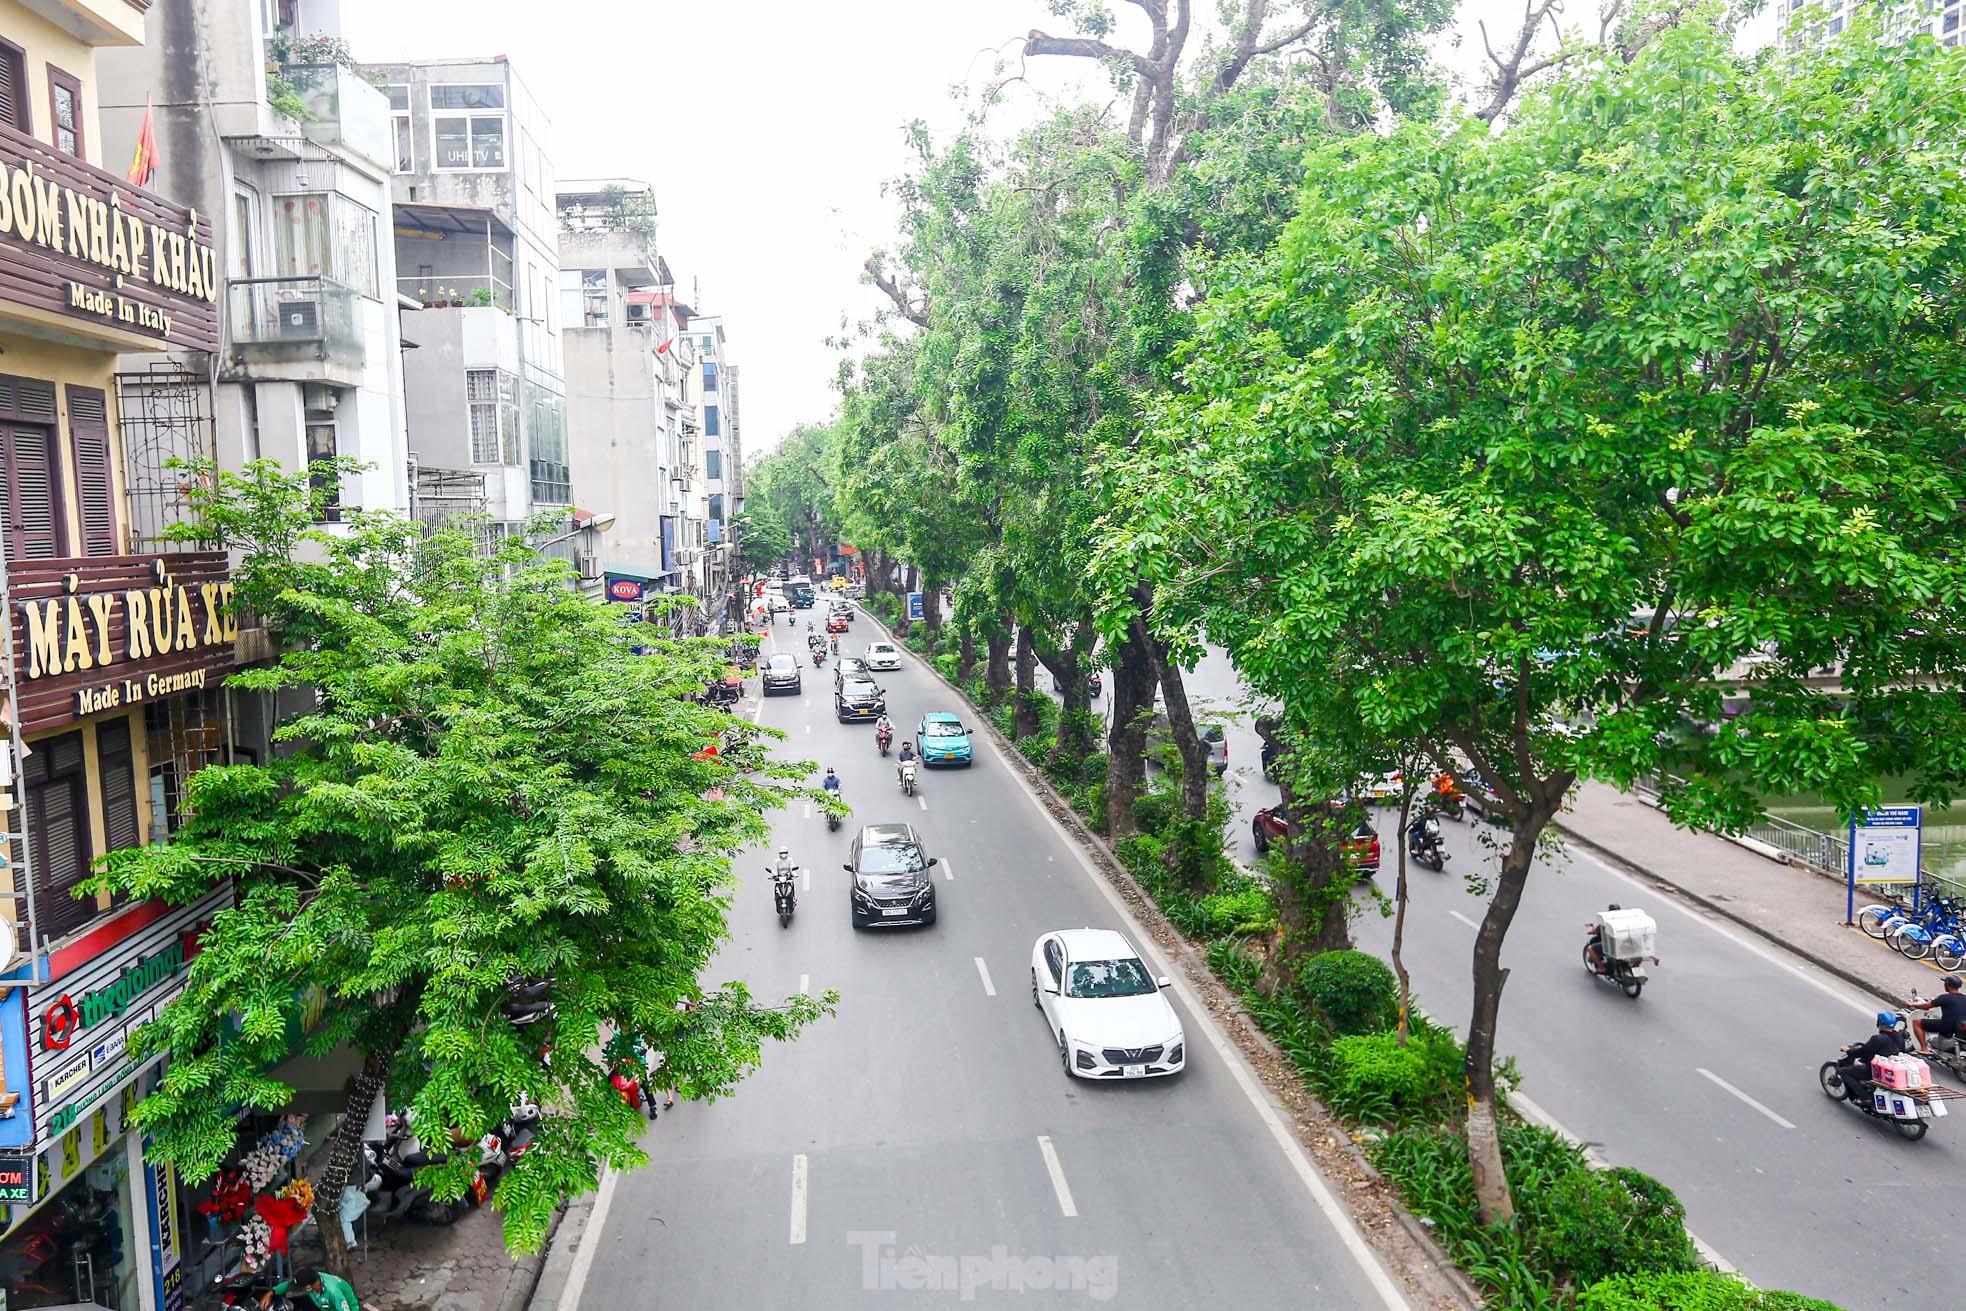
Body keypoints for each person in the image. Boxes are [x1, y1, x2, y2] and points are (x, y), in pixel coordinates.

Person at [1836, 1012, 1906, 1104]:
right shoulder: (1900, 1038)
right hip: (1892, 1071)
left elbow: (1861, 1052)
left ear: (1879, 1023)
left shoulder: (1877, 1039)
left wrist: (1848, 1050)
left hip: (1875, 1072)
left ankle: (1865, 1097)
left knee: (1844, 1072)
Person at [1910, 975, 1966, 1052]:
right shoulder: (1964, 998)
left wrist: (1912, 1004)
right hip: (1960, 1028)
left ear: (1947, 985)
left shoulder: (1944, 997)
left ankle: (1924, 1048)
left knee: (1917, 1023)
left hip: (1946, 1026)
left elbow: (1926, 1006)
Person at [269, 1268, 361, 1311]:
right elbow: (288, 1285)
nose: (298, 1289)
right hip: (325, 1305)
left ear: (308, 1287)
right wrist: (271, 1292)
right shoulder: (313, 1278)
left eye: (300, 1288)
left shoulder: (333, 1292)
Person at [1585, 904, 1622, 971]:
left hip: (1612, 945)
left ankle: (1602, 968)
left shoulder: (1607, 921)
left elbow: (1596, 931)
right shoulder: (1624, 920)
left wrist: (1590, 932)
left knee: (1590, 949)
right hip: (1622, 944)